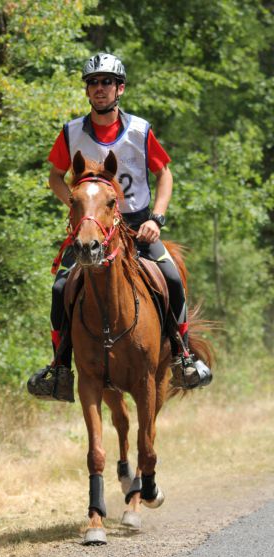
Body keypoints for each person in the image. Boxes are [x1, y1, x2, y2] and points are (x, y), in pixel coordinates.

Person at [27, 52, 212, 402]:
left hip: (137, 226)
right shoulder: (71, 132)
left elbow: (164, 173)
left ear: (119, 88)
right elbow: (54, 176)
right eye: (93, 83)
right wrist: (79, 207)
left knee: (171, 277)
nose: (99, 88)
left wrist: (156, 219)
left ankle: (183, 356)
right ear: (87, 91)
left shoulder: (140, 130)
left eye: (106, 82)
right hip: (92, 229)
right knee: (60, 286)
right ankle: (60, 369)